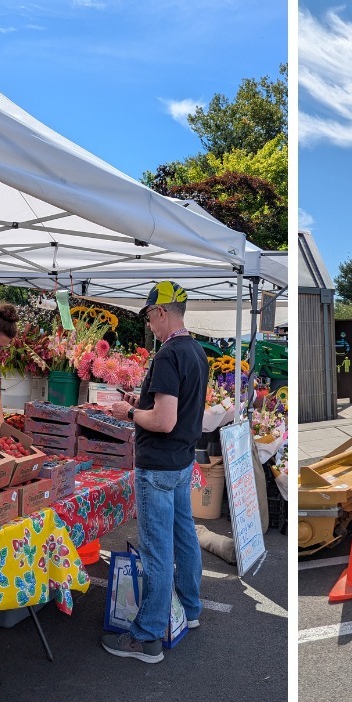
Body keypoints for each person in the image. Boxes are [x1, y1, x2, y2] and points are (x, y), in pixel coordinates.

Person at [102, 280, 207, 663]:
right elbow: (173, 408)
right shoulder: (195, 351)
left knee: (157, 550)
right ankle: (190, 610)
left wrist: (127, 412)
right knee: (184, 538)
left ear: (162, 312)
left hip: (159, 464)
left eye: (149, 316)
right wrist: (139, 400)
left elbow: (163, 420)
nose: (149, 325)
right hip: (181, 462)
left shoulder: (167, 355)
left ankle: (146, 636)